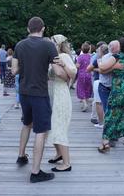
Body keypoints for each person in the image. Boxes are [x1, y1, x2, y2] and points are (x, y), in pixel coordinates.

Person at [12, 17, 67, 183]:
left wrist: (26, 64)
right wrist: (68, 73)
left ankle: (21, 156)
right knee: (41, 131)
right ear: (43, 28)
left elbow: (14, 70)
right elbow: (57, 72)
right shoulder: (48, 45)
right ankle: (35, 172)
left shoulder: (19, 45)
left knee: (26, 123)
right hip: (40, 93)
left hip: (24, 93)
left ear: (28, 29)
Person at [47, 34, 77, 172]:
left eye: (52, 42)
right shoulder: (53, 57)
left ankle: (67, 163)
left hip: (61, 94)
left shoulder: (63, 56)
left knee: (59, 126)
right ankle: (59, 154)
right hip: (52, 93)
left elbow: (73, 73)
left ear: (58, 44)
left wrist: (63, 64)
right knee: (53, 125)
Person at [87, 42, 108, 128]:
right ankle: (108, 122)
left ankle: (101, 123)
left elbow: (88, 69)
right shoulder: (112, 58)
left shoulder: (98, 59)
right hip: (110, 82)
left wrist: (98, 69)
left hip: (98, 80)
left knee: (98, 103)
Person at [76, 42, 92, 112]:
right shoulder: (90, 56)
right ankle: (87, 101)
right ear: (89, 49)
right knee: (87, 88)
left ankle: (84, 103)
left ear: (82, 49)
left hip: (81, 75)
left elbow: (77, 66)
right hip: (89, 74)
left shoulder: (80, 57)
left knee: (81, 88)